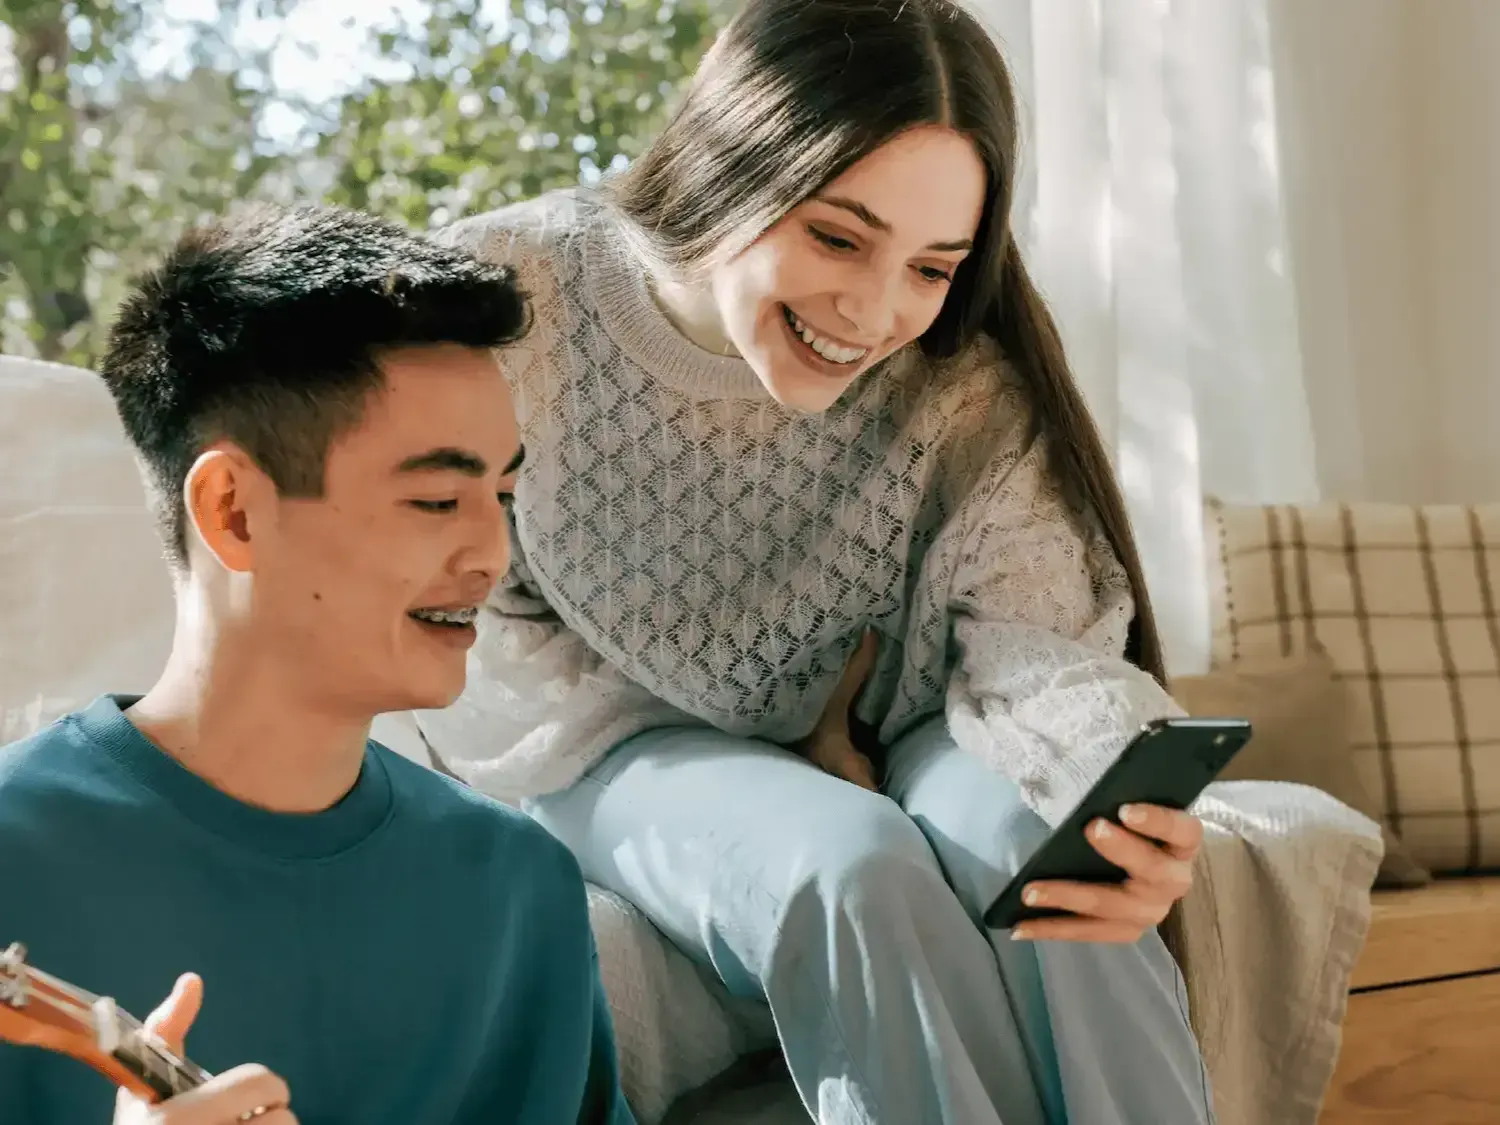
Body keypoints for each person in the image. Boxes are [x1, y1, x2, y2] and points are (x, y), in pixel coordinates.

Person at [418, 0, 1215, 1121]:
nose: (876, 310)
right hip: (610, 743)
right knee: (847, 865)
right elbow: (468, 616)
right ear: (727, 163)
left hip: (899, 721)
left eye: (933, 266)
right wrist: (780, 755)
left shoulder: (954, 375)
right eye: (839, 237)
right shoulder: (509, 294)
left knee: (1045, 844)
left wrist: (1116, 784)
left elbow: (1026, 627)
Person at [0, 204, 634, 1125]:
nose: (493, 553)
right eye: (436, 499)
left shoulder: (519, 889)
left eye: (501, 493)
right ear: (235, 513)